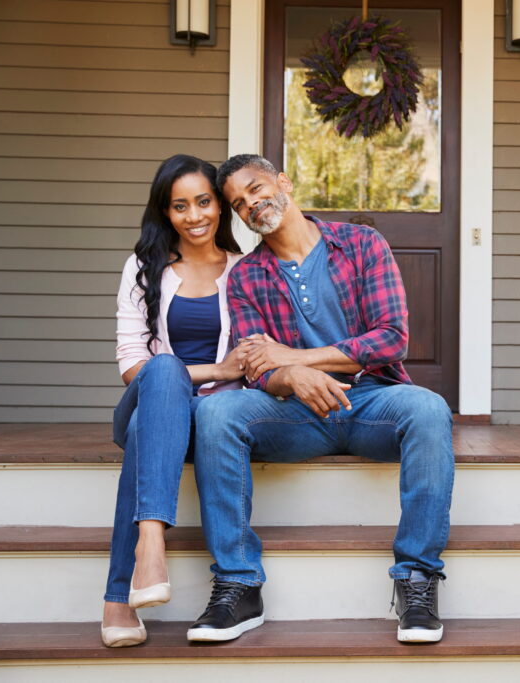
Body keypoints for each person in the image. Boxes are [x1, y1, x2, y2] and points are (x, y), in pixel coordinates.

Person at [185, 154, 454, 644]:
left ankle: (417, 580)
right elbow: (257, 369)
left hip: (371, 402)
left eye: (257, 188)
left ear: (283, 182)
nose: (252, 204)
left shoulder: (360, 243)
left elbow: (391, 339)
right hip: (294, 415)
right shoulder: (247, 276)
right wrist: (290, 375)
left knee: (430, 410)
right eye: (238, 203)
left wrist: (297, 359)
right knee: (216, 410)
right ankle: (238, 585)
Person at [101, 154, 245, 647]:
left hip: (211, 414)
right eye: (179, 206)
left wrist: (226, 380)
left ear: (220, 206)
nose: (195, 215)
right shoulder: (143, 268)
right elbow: (131, 366)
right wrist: (216, 370)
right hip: (149, 398)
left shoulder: (246, 272)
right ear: (165, 213)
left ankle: (122, 595)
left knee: (149, 433)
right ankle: (152, 547)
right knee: (162, 371)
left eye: (204, 202)